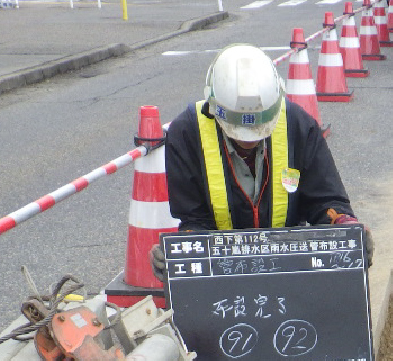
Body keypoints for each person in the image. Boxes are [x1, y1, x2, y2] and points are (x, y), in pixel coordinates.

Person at [155, 44, 371, 273]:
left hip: (289, 266)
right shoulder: (188, 133)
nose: (249, 141)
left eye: (260, 129)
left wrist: (345, 225)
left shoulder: (299, 126)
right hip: (221, 271)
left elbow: (325, 200)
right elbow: (194, 218)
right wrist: (180, 251)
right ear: (212, 106)